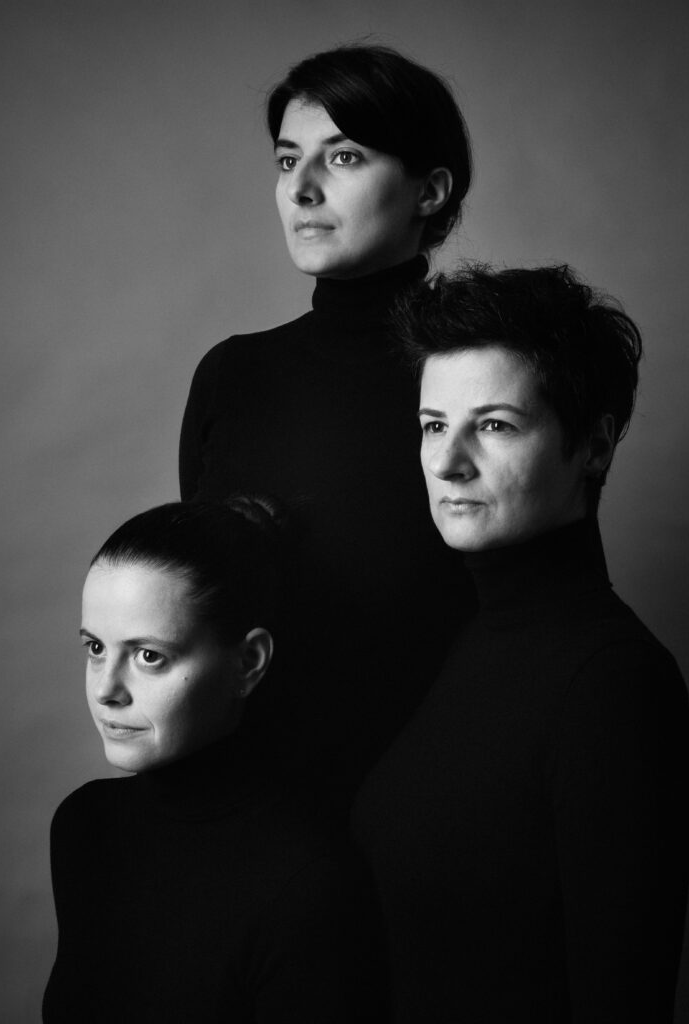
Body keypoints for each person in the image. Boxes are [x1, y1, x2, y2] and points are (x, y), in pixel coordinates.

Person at [352, 265, 689, 1022]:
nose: (447, 462)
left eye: (495, 425)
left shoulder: (614, 683)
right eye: (434, 425)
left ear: (594, 446)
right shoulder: (462, 639)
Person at [179, 44, 475, 798]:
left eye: (343, 157)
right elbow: (206, 607)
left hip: (436, 804)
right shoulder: (232, 375)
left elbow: (541, 615)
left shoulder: (483, 384)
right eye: (287, 161)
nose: (302, 189)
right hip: (252, 807)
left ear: (430, 190)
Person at [43, 499, 387, 1023]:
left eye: (148, 656)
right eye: (95, 648)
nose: (106, 690)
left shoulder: (307, 884)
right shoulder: (84, 827)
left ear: (248, 662)